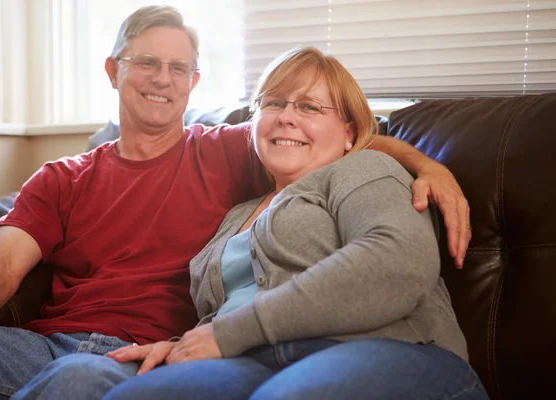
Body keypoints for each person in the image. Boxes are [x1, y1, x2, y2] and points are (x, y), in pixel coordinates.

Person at [0, 5, 470, 400]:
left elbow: (383, 241)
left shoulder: (326, 164)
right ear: (113, 70)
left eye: (178, 67)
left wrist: (428, 165)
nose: (163, 78)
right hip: (104, 346)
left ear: (194, 82)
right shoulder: (234, 219)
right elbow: (1, 258)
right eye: (274, 103)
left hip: (374, 349)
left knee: (79, 380)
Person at [103, 46, 488, 400]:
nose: (287, 117)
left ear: (349, 133)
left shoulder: (364, 170)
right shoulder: (237, 214)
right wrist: (184, 345)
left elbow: (397, 262)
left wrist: (229, 333)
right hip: (256, 361)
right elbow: (223, 317)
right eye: (274, 103)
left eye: (309, 108)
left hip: (396, 353)